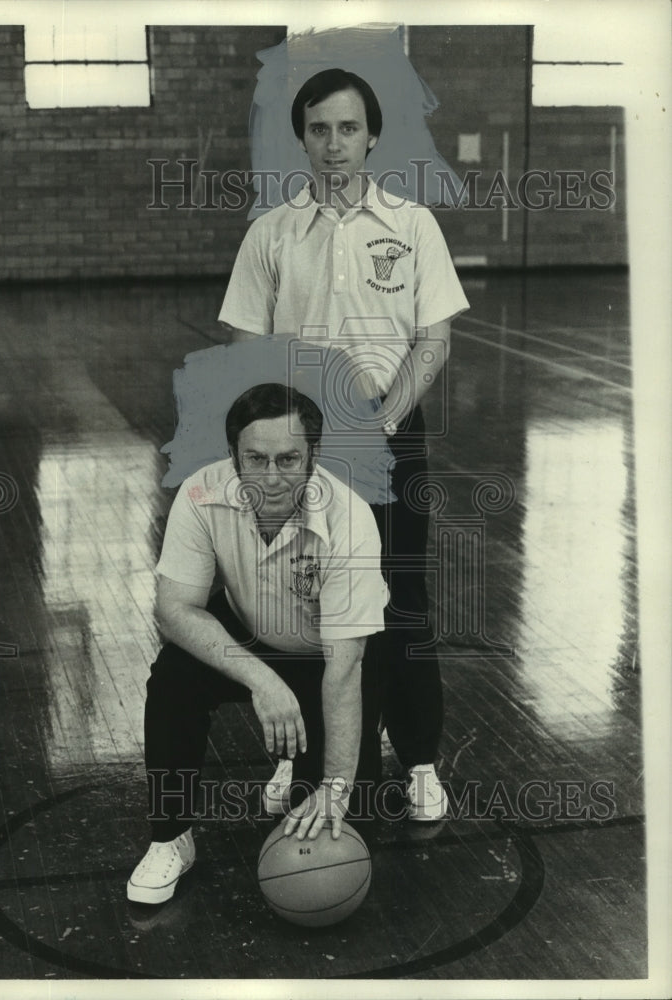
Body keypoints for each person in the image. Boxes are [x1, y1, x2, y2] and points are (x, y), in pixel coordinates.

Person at [218, 68, 470, 821]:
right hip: (299, 447)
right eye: (320, 129)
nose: (334, 144)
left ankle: (418, 760)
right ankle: (301, 764)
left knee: (402, 602)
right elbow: (242, 341)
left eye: (348, 128)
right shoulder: (271, 232)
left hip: (390, 440)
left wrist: (385, 418)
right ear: (302, 137)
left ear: (372, 136)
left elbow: (434, 338)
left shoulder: (412, 224)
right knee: (301, 607)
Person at [127, 382, 388, 904]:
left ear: (314, 456)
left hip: (328, 653)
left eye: (289, 459)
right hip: (251, 630)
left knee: (340, 818)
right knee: (174, 679)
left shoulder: (350, 519)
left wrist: (335, 789)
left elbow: (343, 669)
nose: (271, 477)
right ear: (232, 456)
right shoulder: (202, 493)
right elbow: (173, 609)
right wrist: (262, 680)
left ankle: (298, 760)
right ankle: (171, 836)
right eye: (256, 458)